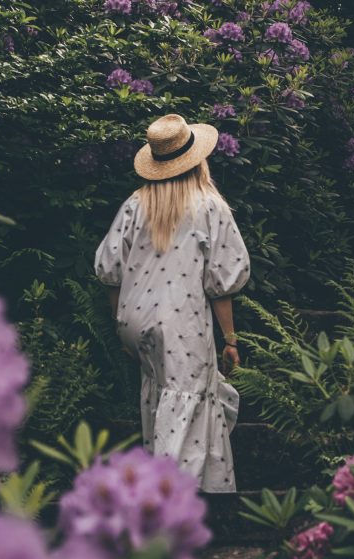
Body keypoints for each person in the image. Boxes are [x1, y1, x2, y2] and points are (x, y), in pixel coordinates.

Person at [94, 114, 250, 492]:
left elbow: (109, 270)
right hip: (181, 322)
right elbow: (221, 283)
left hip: (136, 321)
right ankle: (169, 501)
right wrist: (229, 339)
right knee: (187, 406)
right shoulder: (209, 207)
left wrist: (121, 325)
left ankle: (177, 489)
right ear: (197, 159)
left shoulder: (135, 203)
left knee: (163, 399)